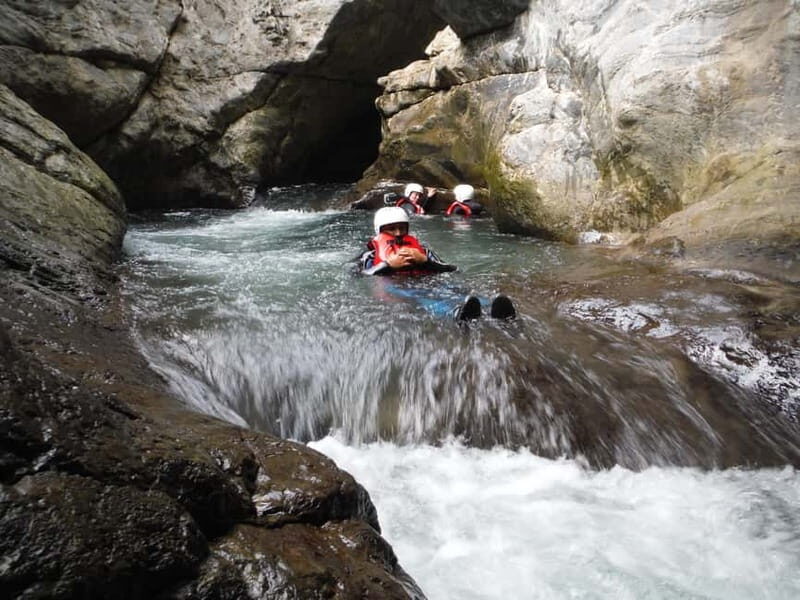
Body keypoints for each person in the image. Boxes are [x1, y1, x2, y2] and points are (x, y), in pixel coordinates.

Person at [360, 207, 516, 321]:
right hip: (397, 286)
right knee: (419, 297)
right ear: (379, 230)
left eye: (402, 228)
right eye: (391, 229)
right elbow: (360, 275)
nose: (398, 233)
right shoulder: (370, 255)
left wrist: (426, 262)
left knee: (451, 288)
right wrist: (388, 264)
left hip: (427, 281)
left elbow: (452, 269)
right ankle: (454, 314)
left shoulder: (423, 251)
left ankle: (491, 306)